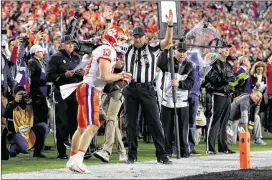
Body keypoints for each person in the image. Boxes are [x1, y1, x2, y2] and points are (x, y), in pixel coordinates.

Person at [63, 26, 132, 173]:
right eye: (120, 38)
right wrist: (122, 75)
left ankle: (73, 160)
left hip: (86, 87)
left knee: (82, 127)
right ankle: (78, 160)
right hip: (90, 89)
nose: (122, 42)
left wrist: (118, 73)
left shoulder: (103, 49)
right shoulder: (108, 50)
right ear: (113, 38)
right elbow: (105, 76)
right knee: (93, 125)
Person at [123, 9, 173, 164]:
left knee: (155, 122)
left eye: (139, 37)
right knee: (130, 124)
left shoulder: (151, 48)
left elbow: (166, 43)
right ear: (132, 38)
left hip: (147, 89)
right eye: (135, 37)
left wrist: (170, 26)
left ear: (145, 37)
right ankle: (132, 155)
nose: (137, 39)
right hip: (130, 89)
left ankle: (162, 155)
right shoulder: (126, 49)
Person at [46, 35, 83, 159]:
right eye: (68, 43)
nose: (71, 45)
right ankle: (61, 152)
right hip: (61, 92)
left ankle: (75, 150)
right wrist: (63, 75)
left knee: (74, 122)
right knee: (61, 121)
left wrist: (82, 74)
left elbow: (82, 76)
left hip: (74, 92)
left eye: (72, 43)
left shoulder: (78, 58)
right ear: (62, 44)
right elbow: (49, 77)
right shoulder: (55, 58)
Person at [157, 42, 194, 158]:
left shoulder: (190, 66)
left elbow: (191, 83)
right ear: (175, 51)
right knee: (166, 129)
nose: (182, 54)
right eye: (179, 51)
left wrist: (180, 84)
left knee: (183, 129)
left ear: (187, 53)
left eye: (184, 52)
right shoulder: (168, 62)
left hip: (182, 102)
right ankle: (167, 151)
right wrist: (165, 51)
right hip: (167, 101)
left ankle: (184, 151)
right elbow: (159, 63)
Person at [94, 50, 128, 163]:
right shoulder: (107, 67)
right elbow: (105, 85)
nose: (122, 61)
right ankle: (122, 151)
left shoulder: (126, 70)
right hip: (105, 93)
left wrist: (109, 77)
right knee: (113, 122)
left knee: (111, 118)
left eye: (122, 59)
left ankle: (106, 151)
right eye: (119, 59)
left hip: (117, 94)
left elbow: (114, 87)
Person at [204, 42, 237, 154]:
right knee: (214, 121)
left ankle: (223, 147)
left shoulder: (228, 65)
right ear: (218, 50)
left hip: (227, 95)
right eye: (224, 48)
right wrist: (226, 79)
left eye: (228, 48)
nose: (227, 50)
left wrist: (237, 80)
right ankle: (210, 148)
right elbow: (212, 78)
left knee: (224, 122)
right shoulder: (213, 63)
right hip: (217, 95)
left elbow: (232, 79)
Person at [3, 86, 48, 158]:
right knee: (25, 147)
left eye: (23, 93)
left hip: (29, 130)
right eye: (19, 94)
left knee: (43, 126)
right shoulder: (12, 103)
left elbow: (42, 114)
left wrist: (31, 104)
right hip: (17, 132)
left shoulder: (29, 102)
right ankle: (14, 146)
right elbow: (5, 114)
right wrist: (15, 102)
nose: (22, 96)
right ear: (15, 95)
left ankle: (38, 152)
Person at [28, 44, 48, 126]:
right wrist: (43, 81)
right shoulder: (32, 62)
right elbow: (31, 78)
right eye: (41, 51)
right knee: (38, 115)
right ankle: (38, 133)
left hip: (42, 91)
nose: (43, 53)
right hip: (37, 93)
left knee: (44, 112)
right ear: (36, 53)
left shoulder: (40, 62)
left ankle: (42, 130)